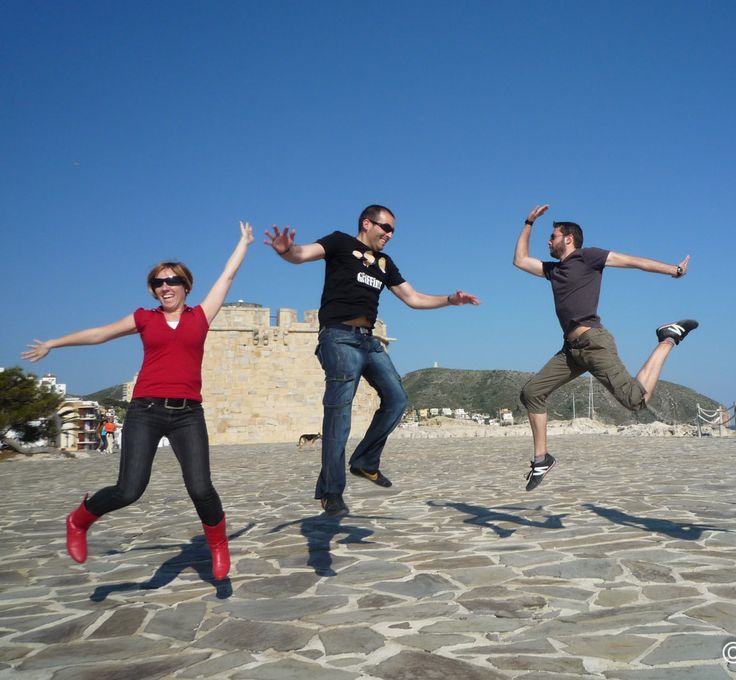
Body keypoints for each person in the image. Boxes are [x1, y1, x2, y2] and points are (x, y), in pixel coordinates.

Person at [23, 222, 255, 580]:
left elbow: (226, 277)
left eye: (172, 281)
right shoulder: (144, 319)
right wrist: (55, 343)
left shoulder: (200, 316)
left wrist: (243, 243)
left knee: (200, 487)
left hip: (188, 414)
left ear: (185, 286)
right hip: (145, 411)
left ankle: (218, 546)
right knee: (129, 489)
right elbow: (100, 333)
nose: (165, 287)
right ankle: (79, 519)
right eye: (159, 282)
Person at [264, 205, 480, 516]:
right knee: (340, 415)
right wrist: (286, 251)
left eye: (393, 230)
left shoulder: (385, 263)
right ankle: (331, 491)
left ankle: (364, 460)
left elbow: (413, 298)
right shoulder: (340, 242)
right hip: (338, 337)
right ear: (367, 223)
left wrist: (450, 300)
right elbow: (301, 254)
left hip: (369, 340)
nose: (390, 235)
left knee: (397, 398)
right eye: (386, 228)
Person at [514, 204, 698, 491]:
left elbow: (633, 261)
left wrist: (673, 271)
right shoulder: (554, 270)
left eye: (552, 236)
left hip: (594, 343)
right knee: (531, 392)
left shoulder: (589, 258)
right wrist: (528, 222)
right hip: (570, 350)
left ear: (569, 239)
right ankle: (542, 458)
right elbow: (521, 260)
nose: (548, 241)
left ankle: (668, 338)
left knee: (635, 401)